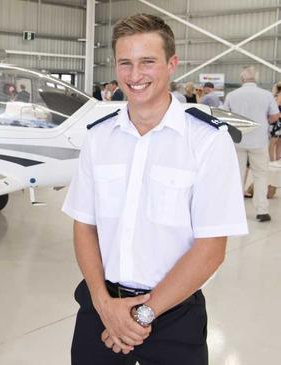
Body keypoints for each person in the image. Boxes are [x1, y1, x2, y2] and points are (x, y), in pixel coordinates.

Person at [62, 13, 247, 365]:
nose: (135, 76)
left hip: (174, 316)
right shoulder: (99, 137)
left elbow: (211, 249)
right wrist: (104, 305)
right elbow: (84, 224)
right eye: (125, 63)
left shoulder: (207, 141)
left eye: (147, 62)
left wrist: (141, 316)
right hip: (100, 309)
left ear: (171, 64)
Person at [224, 66, 280, 222]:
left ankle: (235, 211)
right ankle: (262, 211)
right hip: (259, 141)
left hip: (238, 140)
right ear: (256, 79)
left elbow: (225, 116)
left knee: (237, 175)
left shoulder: (232, 95)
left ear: (242, 79)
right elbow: (275, 115)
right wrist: (264, 121)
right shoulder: (267, 95)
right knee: (260, 174)